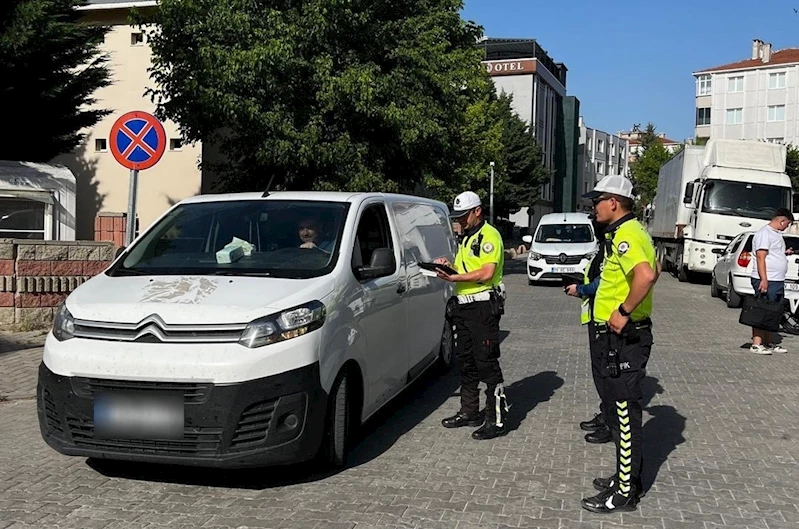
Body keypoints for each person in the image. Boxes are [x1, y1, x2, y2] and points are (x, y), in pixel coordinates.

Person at [579, 174, 658, 514]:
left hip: (624, 337)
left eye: (597, 201)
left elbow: (646, 275)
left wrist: (624, 310)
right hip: (613, 336)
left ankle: (625, 492)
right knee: (616, 411)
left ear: (613, 201)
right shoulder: (621, 233)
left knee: (624, 415)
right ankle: (626, 479)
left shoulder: (627, 234)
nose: (593, 207)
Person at [434, 191, 509, 440]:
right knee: (466, 362)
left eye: (464, 216)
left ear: (477, 211)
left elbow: (487, 273)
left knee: (486, 362)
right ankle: (469, 411)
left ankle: (496, 419)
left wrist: (454, 277)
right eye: (458, 217)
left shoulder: (489, 236)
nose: (460, 221)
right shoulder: (466, 237)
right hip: (464, 306)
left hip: (483, 307)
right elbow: (467, 269)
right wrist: (449, 266)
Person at [565, 213, 612, 445]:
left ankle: (610, 423)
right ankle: (606, 414)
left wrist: (581, 289)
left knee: (605, 374)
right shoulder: (603, 246)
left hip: (607, 319)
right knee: (600, 372)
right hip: (598, 316)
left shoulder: (610, 246)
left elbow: (603, 281)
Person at [749, 207, 794, 355]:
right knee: (762, 309)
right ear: (782, 221)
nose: (786, 227)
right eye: (787, 224)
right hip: (768, 279)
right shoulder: (764, 234)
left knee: (773, 312)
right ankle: (756, 343)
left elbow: (772, 254)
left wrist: (784, 253)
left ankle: (769, 342)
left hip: (777, 279)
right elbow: (761, 257)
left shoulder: (775, 235)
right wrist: (764, 279)